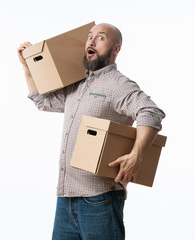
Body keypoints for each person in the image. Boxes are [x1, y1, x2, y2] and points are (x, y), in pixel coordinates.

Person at [17, 23, 165, 240]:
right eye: (89, 37)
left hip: (99, 199)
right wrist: (28, 69)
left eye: (101, 38)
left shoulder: (117, 84)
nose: (92, 41)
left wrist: (137, 156)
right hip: (66, 198)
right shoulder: (77, 84)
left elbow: (151, 112)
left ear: (116, 49)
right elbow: (43, 101)